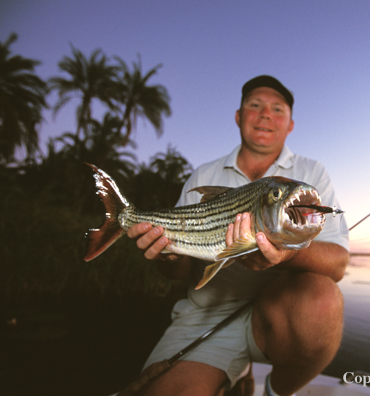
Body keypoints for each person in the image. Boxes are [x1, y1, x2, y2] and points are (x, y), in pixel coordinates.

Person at [127, 75, 350, 396]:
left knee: (322, 299)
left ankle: (275, 391)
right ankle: (228, 370)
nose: (265, 115)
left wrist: (287, 253)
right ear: (238, 116)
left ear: (290, 125)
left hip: (279, 313)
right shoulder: (203, 174)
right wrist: (168, 253)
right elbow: (176, 273)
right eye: (255, 106)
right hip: (206, 314)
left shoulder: (313, 173)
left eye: (277, 109)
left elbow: (339, 264)